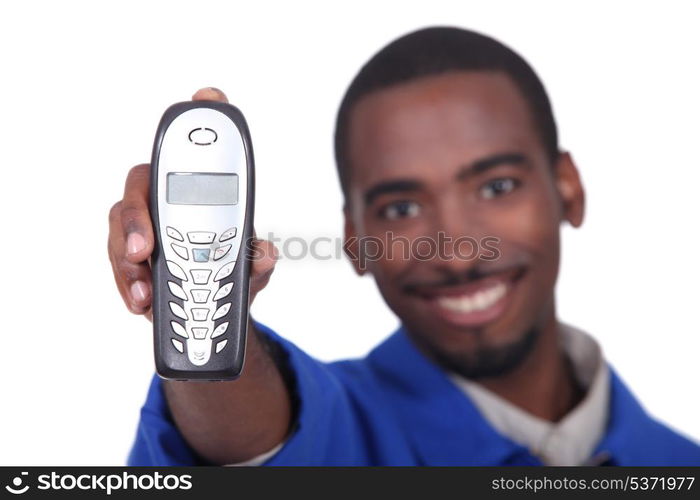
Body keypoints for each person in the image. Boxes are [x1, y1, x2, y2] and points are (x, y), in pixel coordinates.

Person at [108, 27, 700, 466]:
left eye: (497, 186)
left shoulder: (681, 464)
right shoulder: (335, 429)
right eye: (400, 208)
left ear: (567, 187)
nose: (459, 254)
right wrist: (202, 336)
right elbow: (256, 446)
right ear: (353, 240)